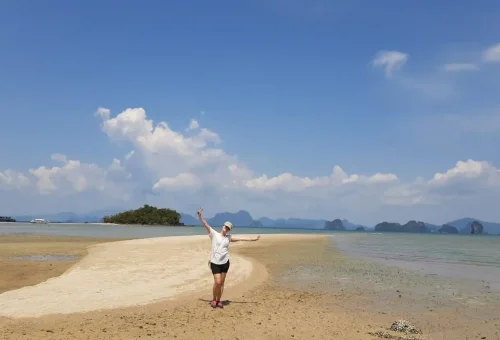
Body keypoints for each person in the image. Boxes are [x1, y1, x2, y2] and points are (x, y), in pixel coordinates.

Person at [197, 207, 260, 308]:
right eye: (225, 226)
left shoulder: (229, 238)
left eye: (228, 228)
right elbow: (205, 224)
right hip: (215, 262)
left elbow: (242, 238)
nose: (226, 228)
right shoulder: (214, 234)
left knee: (221, 283)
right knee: (217, 282)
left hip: (225, 263)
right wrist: (200, 216)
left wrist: (253, 239)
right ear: (223, 226)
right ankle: (214, 299)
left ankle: (218, 301)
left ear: (229, 230)